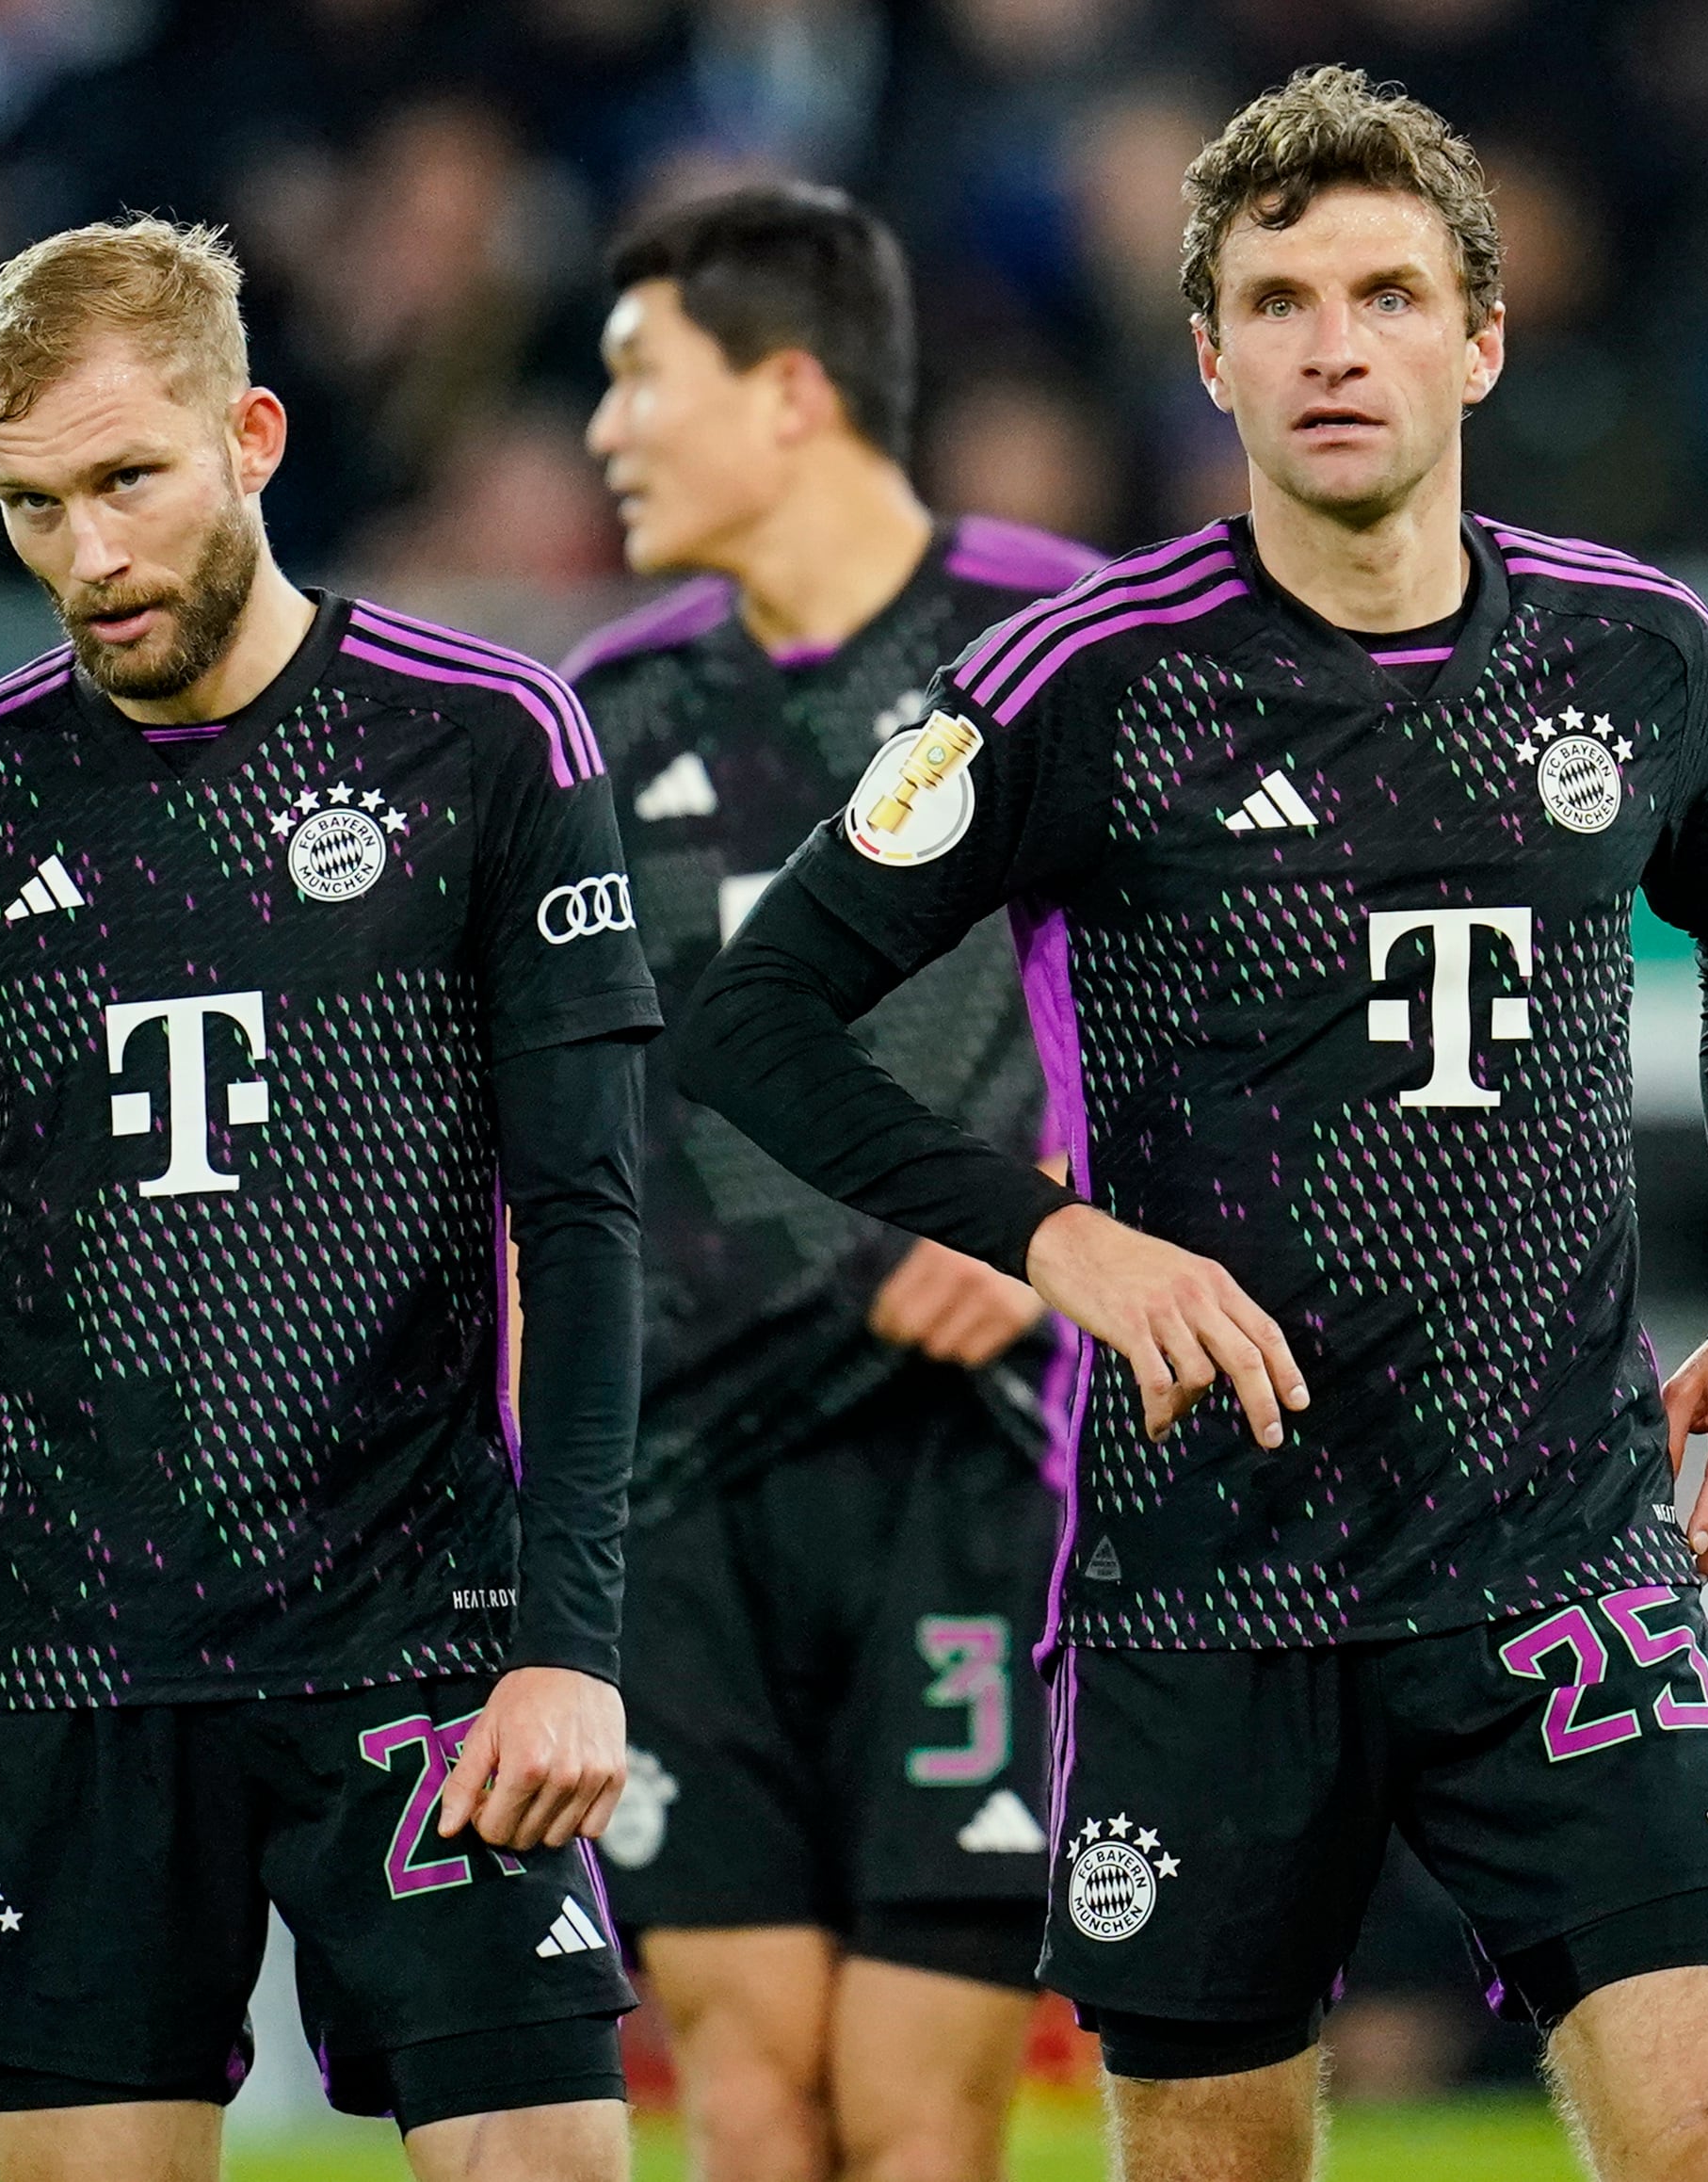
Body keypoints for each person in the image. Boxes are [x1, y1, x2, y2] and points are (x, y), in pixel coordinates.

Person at [674, 67, 1708, 2182]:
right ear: (1206, 353)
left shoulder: (1637, 655)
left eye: (1385, 291)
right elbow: (749, 1017)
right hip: (1206, 1582)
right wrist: (1051, 1240)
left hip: (1559, 1558)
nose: (1332, 344)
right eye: (1278, 298)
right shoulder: (1069, 684)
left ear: (1477, 339)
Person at [0, 218, 659, 2182]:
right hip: (79, 1650)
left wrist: (570, 1640)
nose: (90, 555)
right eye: (32, 505)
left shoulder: (484, 741)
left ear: (253, 432)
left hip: (428, 1632)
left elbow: (581, 1227)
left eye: (128, 479)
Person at [563, 185, 1104, 2182]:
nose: (602, 433)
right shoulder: (608, 717)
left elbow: (1222, 991)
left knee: (914, 2114)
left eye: (637, 381)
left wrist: (1053, 1213)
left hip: (968, 1471)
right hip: (684, 1491)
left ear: (788, 392)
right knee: (750, 2097)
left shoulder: (1057, 645)